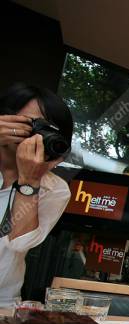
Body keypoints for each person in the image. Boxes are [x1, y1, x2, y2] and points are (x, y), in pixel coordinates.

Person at [0, 83, 73, 308]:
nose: (38, 137)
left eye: (48, 130)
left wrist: (30, 181)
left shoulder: (55, 188)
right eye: (32, 124)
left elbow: (19, 243)